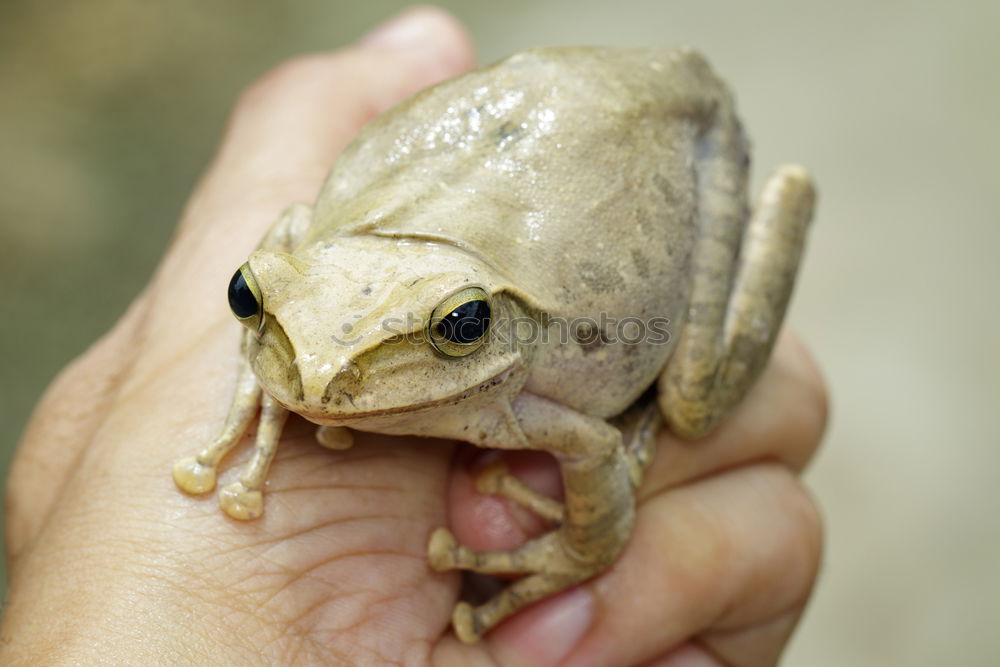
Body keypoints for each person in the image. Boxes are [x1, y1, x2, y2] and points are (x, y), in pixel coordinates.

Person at [0, 7, 827, 665]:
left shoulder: (516, 382)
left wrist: (585, 542)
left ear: (474, 321)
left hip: (671, 130)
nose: (323, 379)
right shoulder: (306, 285)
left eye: (456, 328)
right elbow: (293, 236)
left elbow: (596, 451)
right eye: (252, 302)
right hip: (545, 117)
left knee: (689, 397)